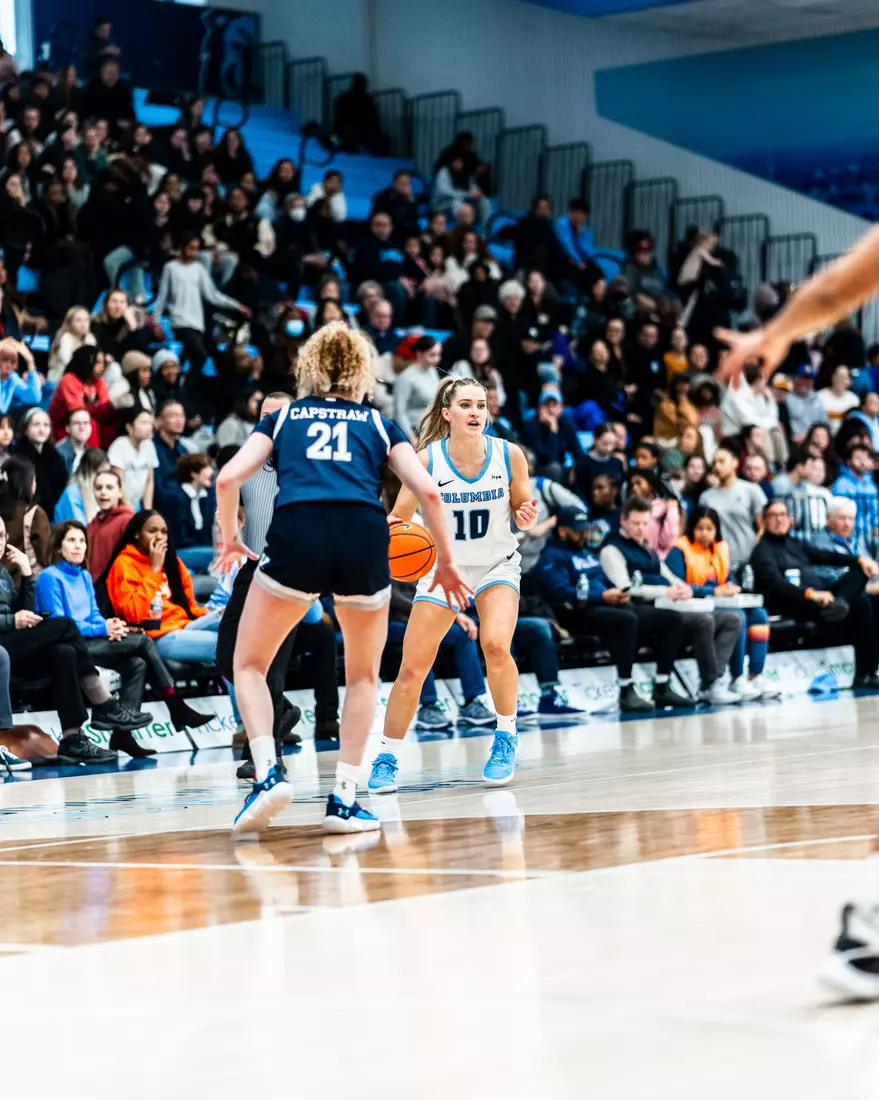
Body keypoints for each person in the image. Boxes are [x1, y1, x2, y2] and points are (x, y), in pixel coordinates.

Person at [212, 325, 468, 834]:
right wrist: (446, 561)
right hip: (361, 536)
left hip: (297, 532)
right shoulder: (378, 423)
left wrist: (231, 537)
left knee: (248, 664)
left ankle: (267, 774)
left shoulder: (283, 415)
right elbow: (431, 495)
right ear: (361, 370)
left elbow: (227, 479)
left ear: (309, 367)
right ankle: (345, 800)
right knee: (363, 677)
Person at [366, 376, 538, 798]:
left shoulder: (509, 454)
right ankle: (386, 756)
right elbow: (401, 517)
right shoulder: (425, 461)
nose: (476, 412)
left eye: (481, 405)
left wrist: (526, 513)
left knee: (496, 644)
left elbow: (521, 507)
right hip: (445, 570)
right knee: (413, 666)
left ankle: (505, 734)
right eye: (466, 405)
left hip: (497, 564)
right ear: (447, 414)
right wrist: (384, 534)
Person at [36, 521, 212, 755]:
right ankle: (175, 704)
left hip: (91, 641)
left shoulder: (85, 576)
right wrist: (102, 629)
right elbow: (59, 625)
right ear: (58, 547)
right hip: (70, 647)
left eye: (81, 541)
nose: (78, 546)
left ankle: (122, 735)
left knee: (136, 664)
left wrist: (112, 625)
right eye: (71, 541)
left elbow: (95, 615)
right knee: (142, 642)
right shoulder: (49, 577)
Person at [0, 513, 147, 765]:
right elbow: (13, 619)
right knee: (66, 625)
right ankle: (103, 702)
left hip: (14, 644)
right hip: (3, 646)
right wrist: (12, 621)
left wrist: (26, 575)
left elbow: (26, 609)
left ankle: (72, 738)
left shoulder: (3, 573)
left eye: (2, 535)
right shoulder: (51, 575)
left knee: (64, 652)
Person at [536, 504, 693, 713]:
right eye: (578, 530)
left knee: (671, 619)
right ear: (563, 531)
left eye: (585, 528)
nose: (584, 534)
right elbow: (561, 593)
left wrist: (618, 592)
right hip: (576, 613)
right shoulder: (552, 557)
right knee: (626, 619)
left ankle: (662, 685)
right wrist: (601, 596)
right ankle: (625, 689)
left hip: (606, 605)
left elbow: (602, 580)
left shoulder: (587, 553)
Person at [600, 496, 743, 706]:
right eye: (636, 523)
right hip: (640, 610)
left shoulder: (647, 548)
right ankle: (706, 682)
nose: (641, 529)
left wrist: (683, 588)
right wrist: (666, 591)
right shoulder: (611, 550)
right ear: (623, 521)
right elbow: (625, 587)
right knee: (702, 620)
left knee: (732, 619)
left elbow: (668, 575)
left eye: (645, 523)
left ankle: (715, 680)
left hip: (668, 605)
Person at [667, 506, 778, 700]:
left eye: (710, 529)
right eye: (700, 528)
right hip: (694, 605)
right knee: (739, 617)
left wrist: (731, 587)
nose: (705, 534)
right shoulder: (680, 549)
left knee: (759, 613)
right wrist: (713, 591)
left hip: (719, 602)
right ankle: (736, 678)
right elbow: (678, 586)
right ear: (691, 528)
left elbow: (725, 578)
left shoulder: (720, 548)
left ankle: (755, 676)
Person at [105, 511, 221, 667]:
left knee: (235, 618)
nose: (159, 536)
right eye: (152, 531)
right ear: (137, 534)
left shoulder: (173, 561)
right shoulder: (124, 564)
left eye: (164, 532)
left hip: (183, 624)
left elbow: (189, 606)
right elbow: (134, 614)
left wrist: (210, 615)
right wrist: (153, 570)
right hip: (156, 636)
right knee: (229, 643)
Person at [386, 582, 496, 731]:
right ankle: (428, 706)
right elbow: (393, 596)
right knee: (420, 632)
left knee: (464, 634)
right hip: (391, 621)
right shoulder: (379, 561)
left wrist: (453, 613)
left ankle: (473, 702)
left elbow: (432, 591)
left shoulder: (421, 563)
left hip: (423, 617)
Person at [151, 232, 250, 385]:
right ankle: (187, 386)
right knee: (201, 355)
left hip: (197, 323)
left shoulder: (199, 269)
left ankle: (175, 386)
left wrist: (236, 305)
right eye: (191, 248)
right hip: (180, 321)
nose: (194, 252)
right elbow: (162, 297)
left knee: (186, 357)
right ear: (182, 248)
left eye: (196, 249)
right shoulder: (170, 268)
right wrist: (156, 321)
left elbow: (212, 295)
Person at [698, 443, 766, 572]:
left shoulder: (751, 490)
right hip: (716, 562)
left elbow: (763, 527)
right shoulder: (706, 497)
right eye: (714, 463)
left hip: (749, 561)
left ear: (735, 462)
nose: (717, 466)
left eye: (721, 461)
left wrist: (756, 553)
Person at [48, 346, 125, 451]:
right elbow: (77, 411)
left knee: (115, 420)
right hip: (64, 427)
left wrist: (115, 405)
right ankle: (93, 457)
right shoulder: (68, 380)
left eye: (103, 363)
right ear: (85, 362)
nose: (102, 367)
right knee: (89, 421)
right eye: (97, 363)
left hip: (85, 426)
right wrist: (101, 407)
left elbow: (104, 411)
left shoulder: (99, 382)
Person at [12, 408, 68, 521]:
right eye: (36, 424)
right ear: (26, 429)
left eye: (46, 425)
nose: (42, 429)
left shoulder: (55, 457)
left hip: (52, 516)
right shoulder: (18, 456)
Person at [165, 453, 215, 574]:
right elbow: (179, 537)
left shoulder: (206, 497)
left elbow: (207, 532)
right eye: (206, 467)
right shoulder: (176, 498)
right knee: (220, 555)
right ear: (193, 474)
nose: (211, 471)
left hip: (201, 550)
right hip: (181, 551)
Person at [107, 405, 158, 512]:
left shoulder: (149, 445)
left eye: (150, 423)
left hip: (137, 505)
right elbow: (118, 482)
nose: (149, 427)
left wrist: (147, 512)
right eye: (143, 423)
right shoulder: (119, 445)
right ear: (129, 427)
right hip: (119, 506)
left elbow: (149, 482)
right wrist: (130, 511)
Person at [393, 335, 442, 443]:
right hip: (413, 429)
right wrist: (411, 438)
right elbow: (399, 412)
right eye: (432, 355)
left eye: (438, 355)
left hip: (432, 429)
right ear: (419, 354)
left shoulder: (432, 371)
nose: (436, 359)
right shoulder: (406, 377)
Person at [87, 468, 134, 580]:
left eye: (109, 487)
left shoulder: (128, 521)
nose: (103, 492)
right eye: (98, 488)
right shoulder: (91, 525)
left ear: (120, 492)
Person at [54, 447, 107, 524]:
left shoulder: (99, 490)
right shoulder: (72, 493)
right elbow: (80, 526)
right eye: (99, 474)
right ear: (88, 473)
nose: (104, 478)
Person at [47, 305, 96, 382]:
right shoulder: (65, 338)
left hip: (83, 375)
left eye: (86, 320)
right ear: (70, 323)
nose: (83, 324)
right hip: (61, 376)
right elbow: (68, 362)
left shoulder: (90, 338)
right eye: (78, 320)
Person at [0, 337, 41, 414]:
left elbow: (33, 398)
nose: (9, 365)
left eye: (13, 362)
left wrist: (30, 361)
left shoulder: (12, 378)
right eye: (5, 360)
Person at [818, 364, 860, 435]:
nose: (840, 380)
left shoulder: (854, 400)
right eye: (838, 376)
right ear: (832, 377)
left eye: (844, 378)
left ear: (849, 381)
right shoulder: (820, 396)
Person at [56, 408, 95, 475]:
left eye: (86, 423)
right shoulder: (58, 453)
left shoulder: (92, 452)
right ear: (67, 428)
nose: (82, 427)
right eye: (76, 423)